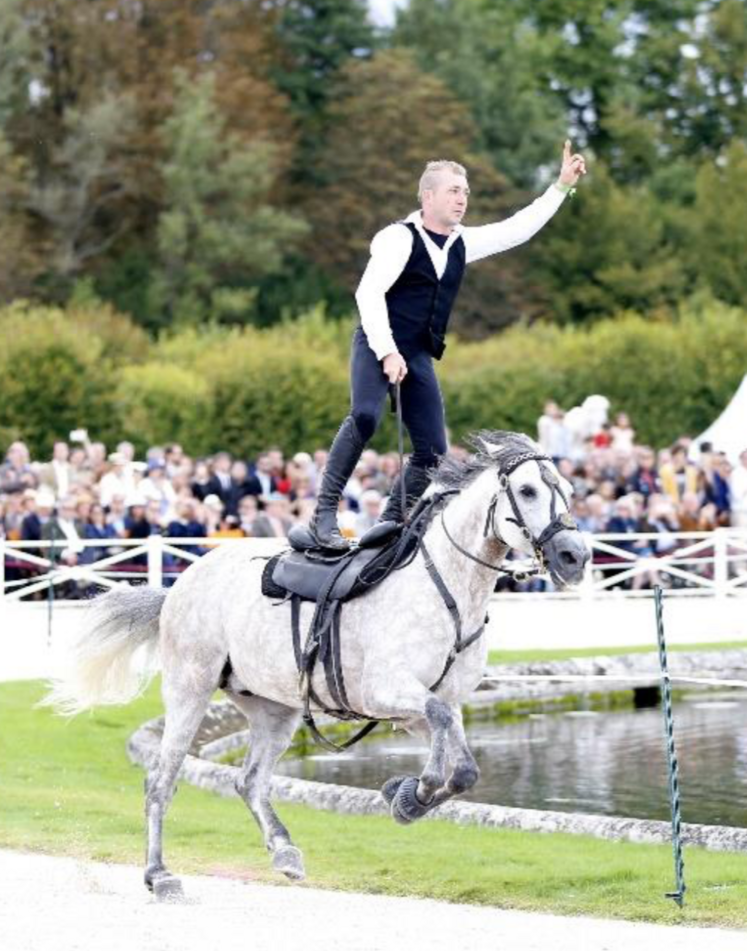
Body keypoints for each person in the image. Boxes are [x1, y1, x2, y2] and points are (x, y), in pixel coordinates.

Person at [308, 142, 587, 549]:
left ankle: (389, 523)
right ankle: (323, 517)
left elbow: (519, 228)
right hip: (377, 341)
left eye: (466, 192)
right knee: (365, 416)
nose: (463, 199)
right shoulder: (397, 238)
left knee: (434, 452)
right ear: (428, 196)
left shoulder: (462, 242)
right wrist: (387, 351)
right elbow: (368, 294)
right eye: (454, 190)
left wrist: (561, 186)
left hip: (418, 353)